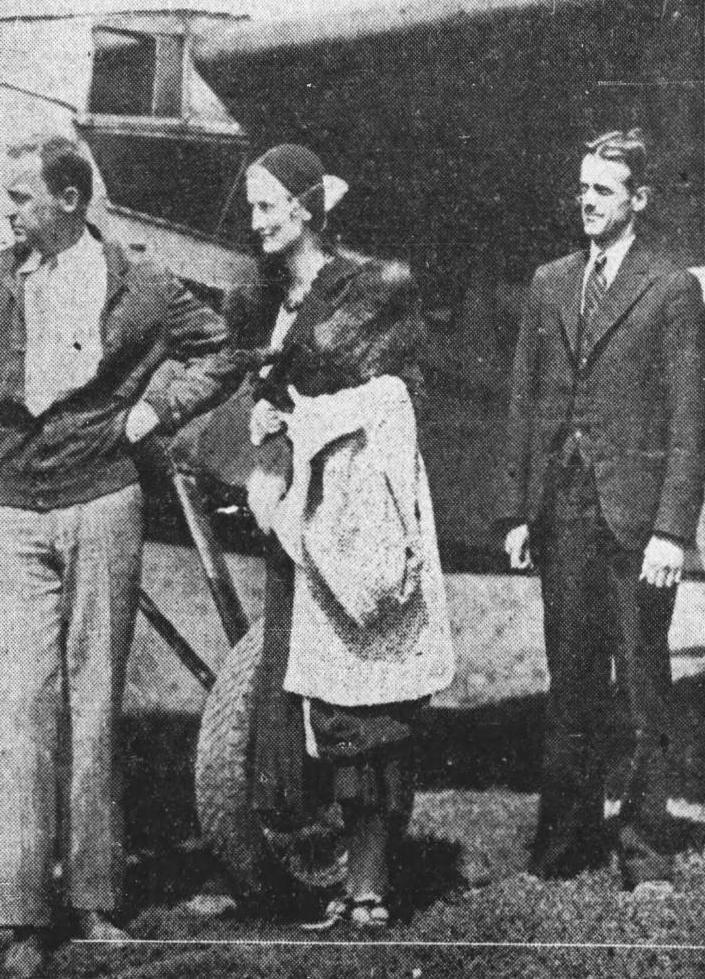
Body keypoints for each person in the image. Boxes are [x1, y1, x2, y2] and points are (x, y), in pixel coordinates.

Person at [0, 135, 241, 975]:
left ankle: (96, 901)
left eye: (23, 197)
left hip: (104, 502)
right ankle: (23, 914)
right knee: (19, 704)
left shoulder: (137, 282)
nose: (9, 211)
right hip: (8, 513)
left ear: (70, 200)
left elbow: (219, 347)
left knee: (94, 703)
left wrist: (152, 416)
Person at [240, 144, 455, 928]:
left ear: (303, 208)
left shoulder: (371, 290)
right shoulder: (269, 297)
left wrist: (304, 416)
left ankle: (370, 884)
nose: (256, 221)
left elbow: (394, 397)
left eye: (267, 206)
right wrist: (266, 415)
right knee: (322, 703)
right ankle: (344, 876)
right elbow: (273, 388)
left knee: (371, 699)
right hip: (298, 519)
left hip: (356, 517)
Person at [496, 129, 705, 892]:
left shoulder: (671, 287)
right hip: (566, 515)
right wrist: (518, 512)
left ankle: (646, 847)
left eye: (604, 189)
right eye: (582, 186)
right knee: (571, 680)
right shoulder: (549, 282)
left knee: (645, 683)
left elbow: (690, 419)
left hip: (636, 522)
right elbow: (524, 403)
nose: (587, 200)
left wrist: (673, 530)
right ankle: (564, 844)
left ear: (639, 200)